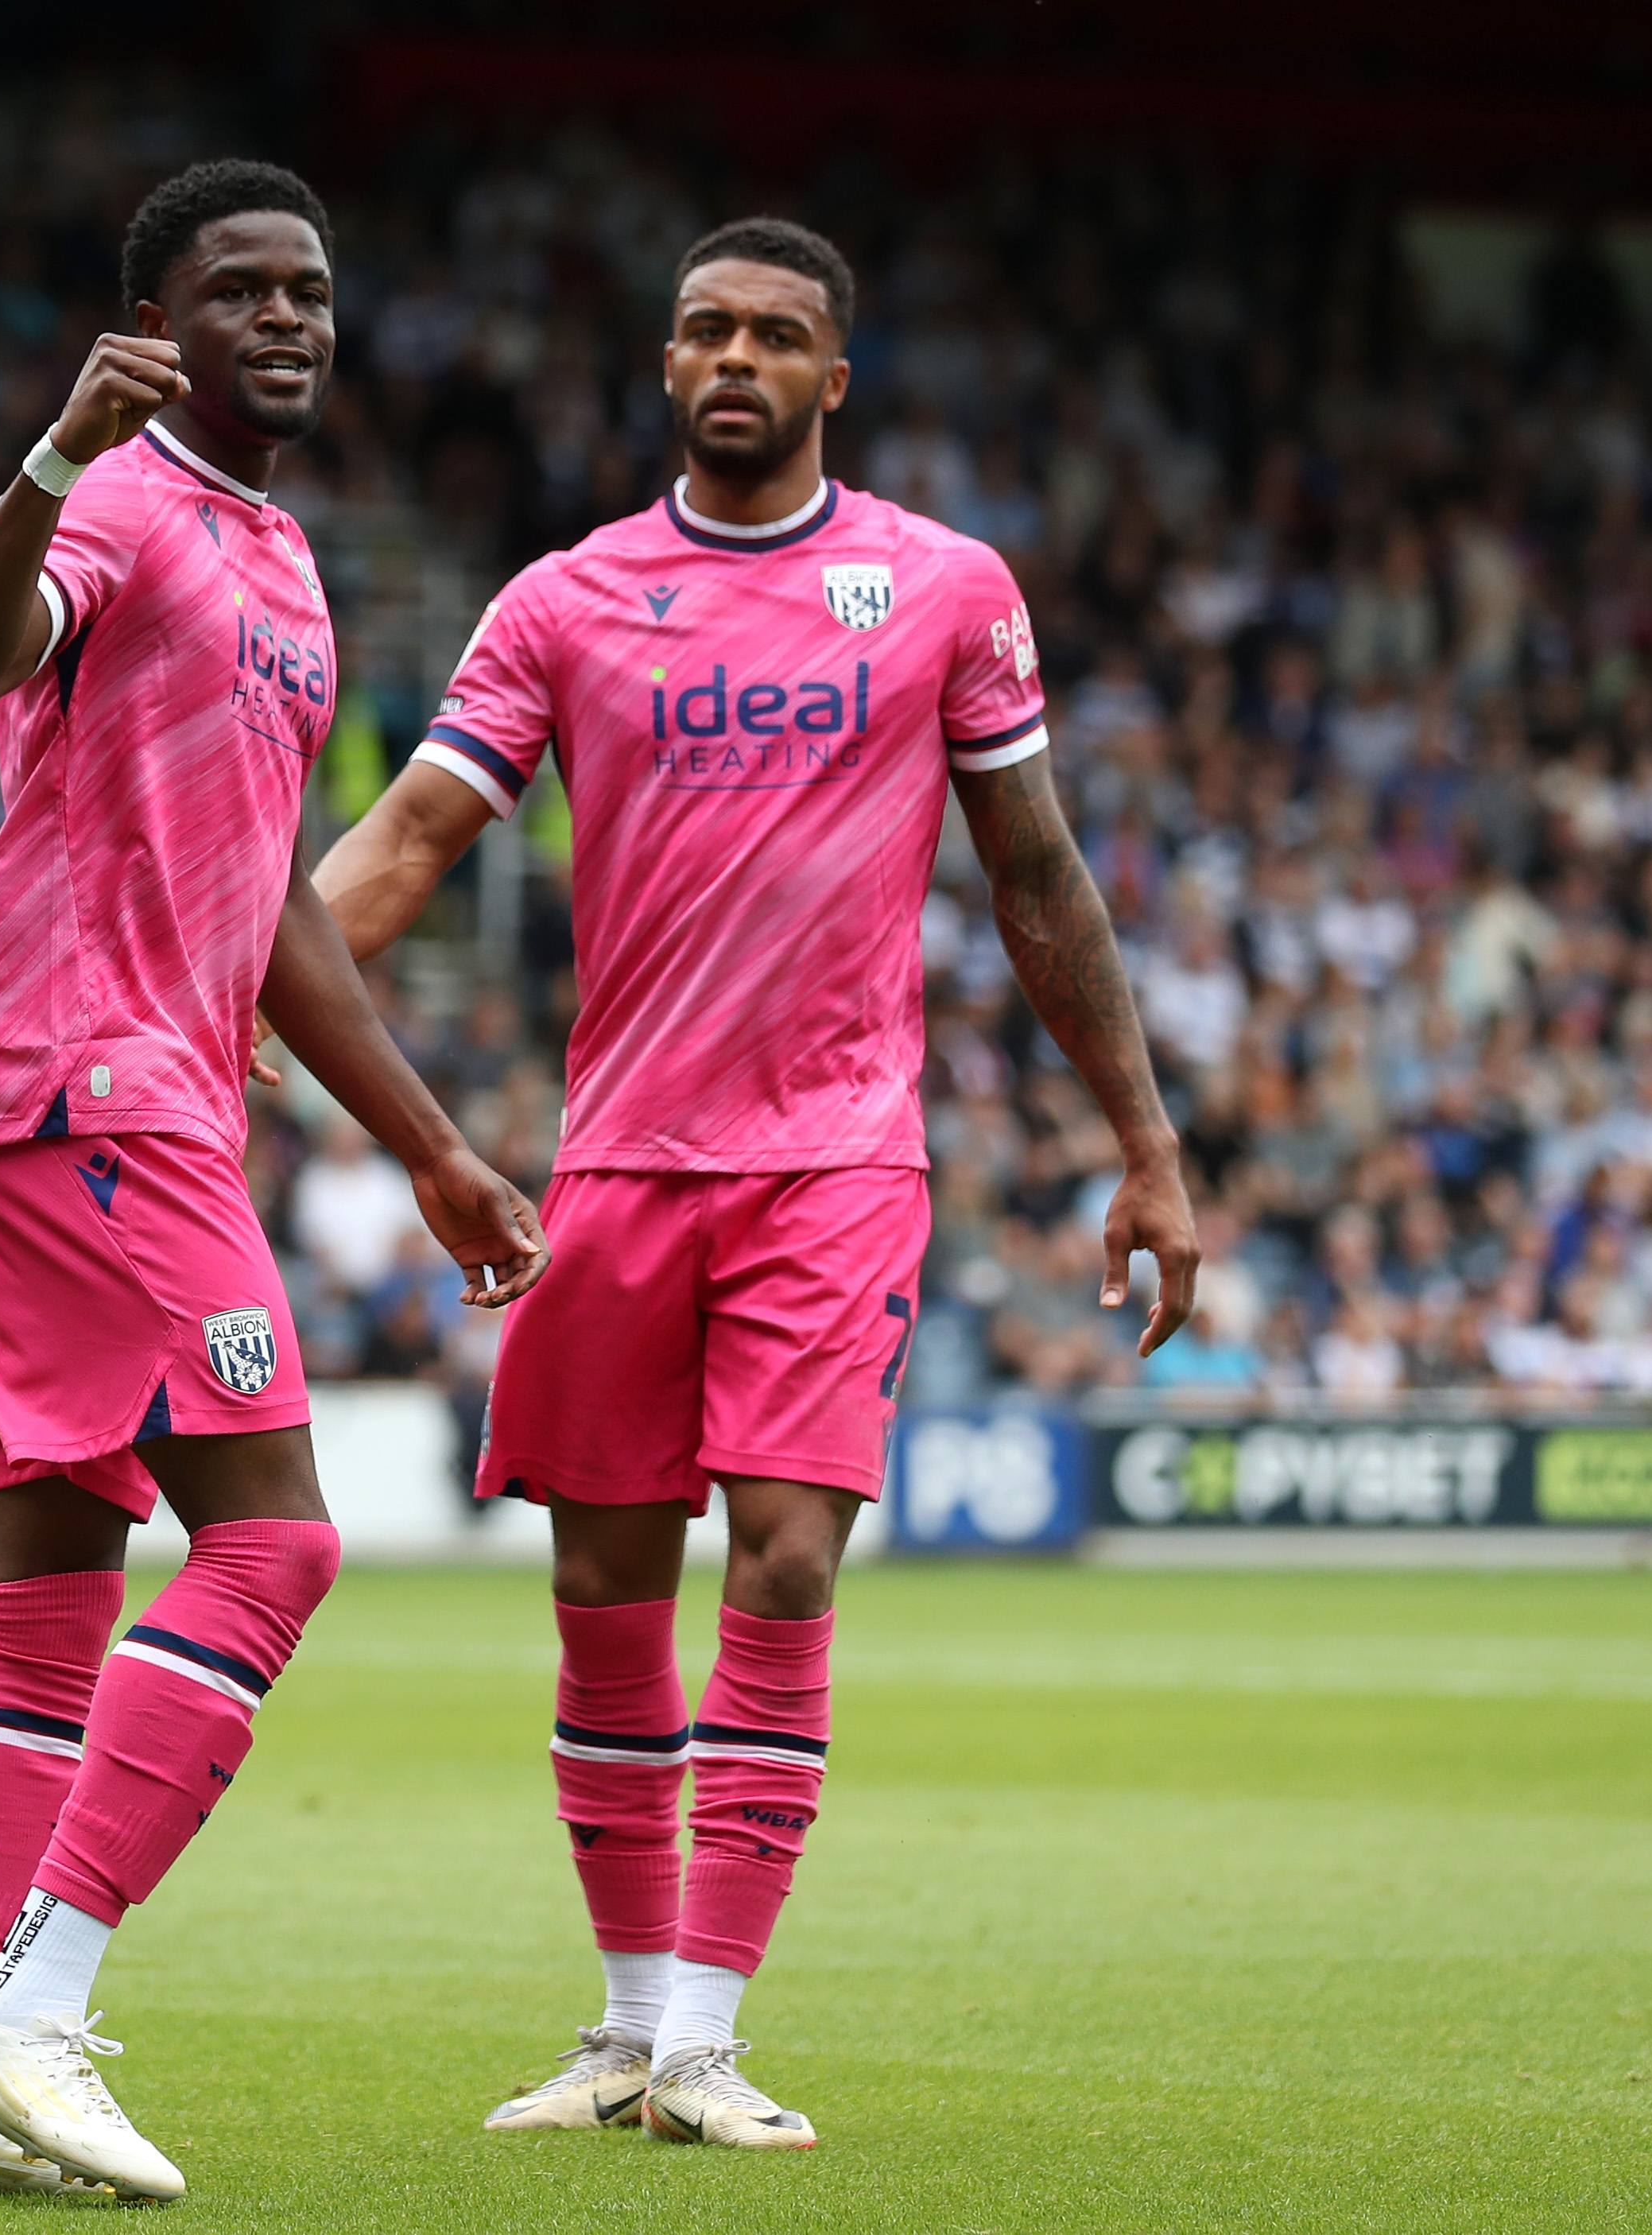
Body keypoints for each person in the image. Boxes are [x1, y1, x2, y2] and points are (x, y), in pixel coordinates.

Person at [312, 218, 1198, 2149]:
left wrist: (1145, 1140)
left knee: (787, 1559)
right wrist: (213, 1016)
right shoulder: (563, 601)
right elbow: (409, 837)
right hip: (618, 1161)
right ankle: (627, 2028)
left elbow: (1035, 875)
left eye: (776, 334)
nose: (736, 356)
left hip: (836, 1158)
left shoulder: (943, 589)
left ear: (832, 379)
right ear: (663, 366)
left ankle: (707, 2036)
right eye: (704, 327)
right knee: (603, 1591)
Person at [0, 160, 549, 2204]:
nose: (289, 318)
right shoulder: (126, 507)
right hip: (88, 1089)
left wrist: (425, 1143)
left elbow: (274, 918)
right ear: (155, 322)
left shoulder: (291, 569)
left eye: (312, 291)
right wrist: (47, 464)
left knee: (51, 1587)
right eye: (240, 289)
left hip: (99, 1091)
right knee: (274, 1546)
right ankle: (27, 2002)